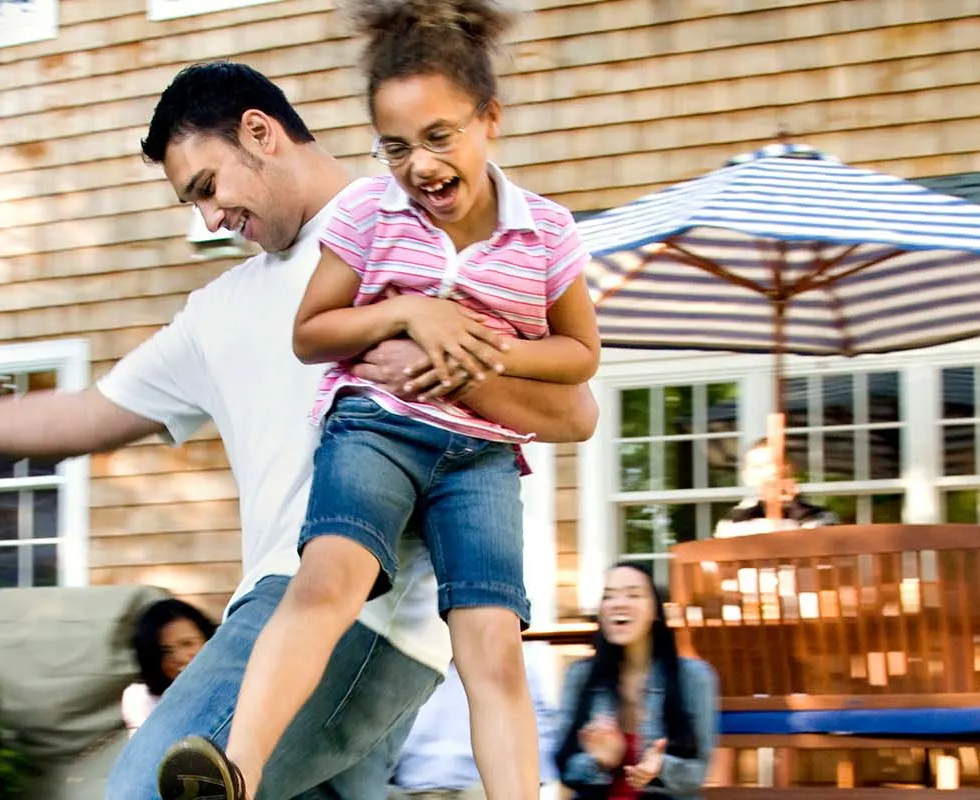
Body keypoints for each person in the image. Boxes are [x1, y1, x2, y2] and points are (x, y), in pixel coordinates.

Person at [0, 59, 598, 800]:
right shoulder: (219, 311)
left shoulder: (408, 224)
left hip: (363, 613)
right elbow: (88, 413)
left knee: (144, 786)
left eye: (209, 187)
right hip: (293, 627)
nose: (209, 219)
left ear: (261, 133)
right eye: (191, 202)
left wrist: (453, 366)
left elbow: (573, 411)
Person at [159, 2, 596, 799]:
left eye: (438, 137)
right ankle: (238, 771)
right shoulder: (368, 212)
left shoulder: (548, 234)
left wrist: (477, 349)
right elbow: (313, 330)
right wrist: (405, 312)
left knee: (492, 646)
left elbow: (579, 356)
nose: (418, 165)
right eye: (394, 147)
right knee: (326, 581)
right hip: (376, 431)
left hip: (483, 457)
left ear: (488, 120)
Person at [555, 562, 719, 800]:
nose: (619, 603)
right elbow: (566, 769)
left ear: (655, 611)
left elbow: (698, 774)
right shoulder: (580, 676)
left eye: (634, 594)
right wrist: (602, 762)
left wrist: (660, 767)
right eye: (609, 596)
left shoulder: (694, 677)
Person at [388, 654, 562, 800]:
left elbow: (540, 751)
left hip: (482, 791)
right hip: (414, 791)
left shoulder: (513, 672)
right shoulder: (409, 674)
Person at [124, 598, 219, 731]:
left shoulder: (235, 687)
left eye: (187, 644)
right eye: (165, 651)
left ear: (209, 640)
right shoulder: (141, 699)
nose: (178, 657)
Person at [710, 441, 840, 538]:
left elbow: (821, 546)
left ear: (791, 468)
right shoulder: (732, 522)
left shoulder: (819, 515)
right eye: (760, 467)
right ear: (747, 476)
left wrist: (794, 507)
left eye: (777, 464)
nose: (772, 471)